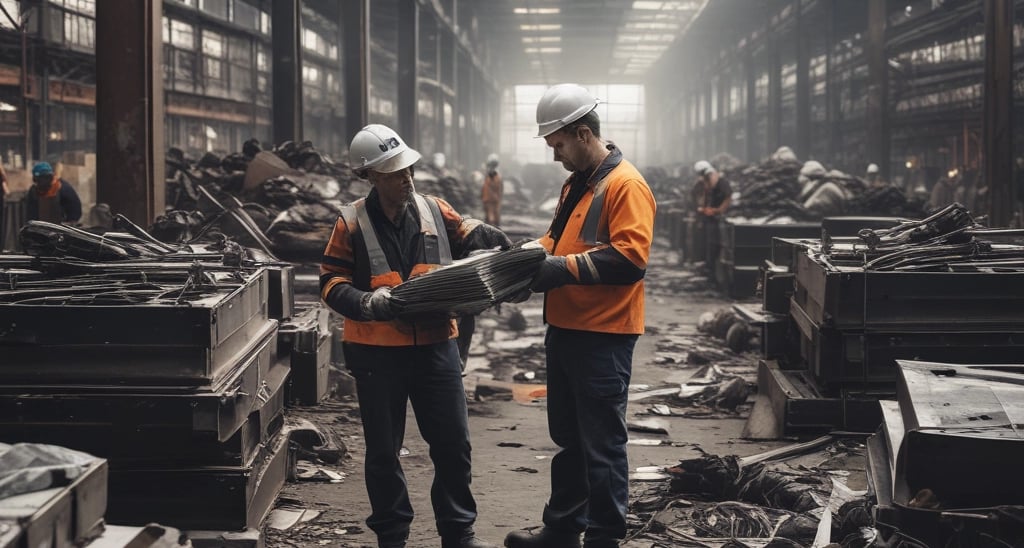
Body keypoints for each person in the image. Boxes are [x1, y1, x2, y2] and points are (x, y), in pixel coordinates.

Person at [320, 124, 508, 548]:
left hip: (437, 348)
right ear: (370, 176)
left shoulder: (435, 210)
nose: (405, 178)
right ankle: (392, 534)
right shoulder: (350, 222)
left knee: (453, 446)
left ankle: (458, 533)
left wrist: (489, 241)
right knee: (384, 453)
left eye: (407, 169)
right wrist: (368, 303)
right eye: (394, 172)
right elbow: (331, 282)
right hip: (377, 353)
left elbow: (466, 236)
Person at [503, 84, 656, 548]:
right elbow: (555, 241)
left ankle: (605, 537)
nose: (555, 157)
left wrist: (557, 269)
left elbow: (630, 261)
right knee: (570, 439)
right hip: (567, 330)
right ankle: (562, 530)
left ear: (583, 134)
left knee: (602, 444)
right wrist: (516, 261)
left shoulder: (624, 185)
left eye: (558, 145)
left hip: (603, 336)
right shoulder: (577, 184)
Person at [693, 160, 731, 276]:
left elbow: (728, 198)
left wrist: (718, 210)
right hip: (709, 219)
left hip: (718, 219)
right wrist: (703, 208)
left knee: (716, 245)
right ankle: (709, 267)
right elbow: (704, 196)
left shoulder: (721, 182)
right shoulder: (705, 182)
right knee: (709, 244)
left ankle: (713, 269)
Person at [482, 153, 503, 227]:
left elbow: (494, 186)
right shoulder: (496, 175)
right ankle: (494, 227)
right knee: (493, 214)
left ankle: (492, 228)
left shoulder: (492, 175)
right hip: (493, 198)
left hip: (489, 198)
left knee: (491, 216)